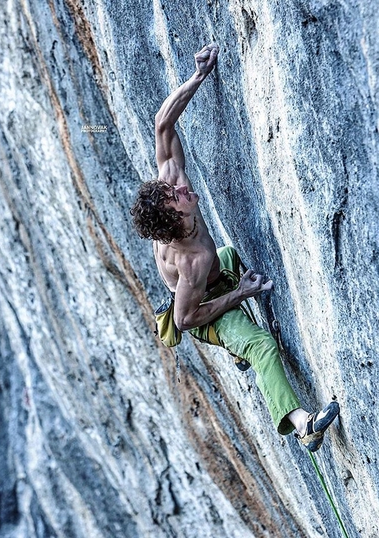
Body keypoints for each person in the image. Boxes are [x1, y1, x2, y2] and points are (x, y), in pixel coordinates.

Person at [131, 43, 339, 451]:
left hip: (214, 276)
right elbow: (188, 318)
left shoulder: (172, 188)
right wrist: (240, 293)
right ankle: (304, 426)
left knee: (230, 255)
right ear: (175, 223)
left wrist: (198, 76)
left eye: (173, 188)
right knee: (260, 344)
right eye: (178, 197)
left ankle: (239, 335)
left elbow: (162, 124)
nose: (183, 187)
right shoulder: (190, 259)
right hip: (202, 309)